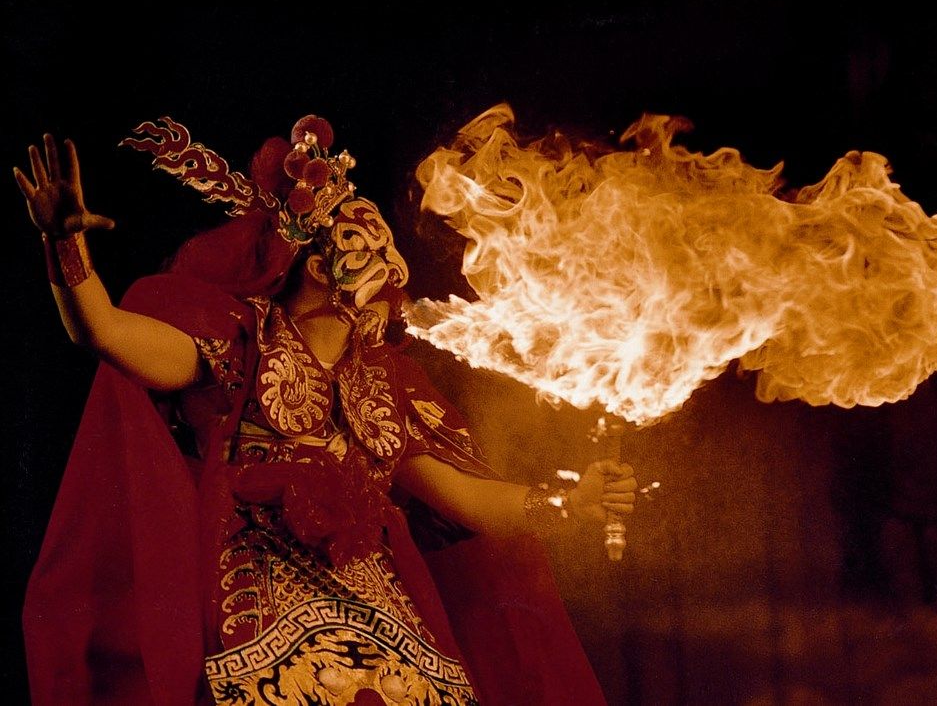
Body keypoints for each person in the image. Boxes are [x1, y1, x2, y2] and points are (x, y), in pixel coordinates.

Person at [15, 117, 637, 706]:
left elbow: (467, 498)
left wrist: (569, 503)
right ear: (317, 264)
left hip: (381, 608)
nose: (391, 267)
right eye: (368, 245)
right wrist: (63, 243)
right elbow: (104, 332)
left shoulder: (383, 384)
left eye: (387, 250)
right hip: (260, 602)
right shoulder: (242, 346)